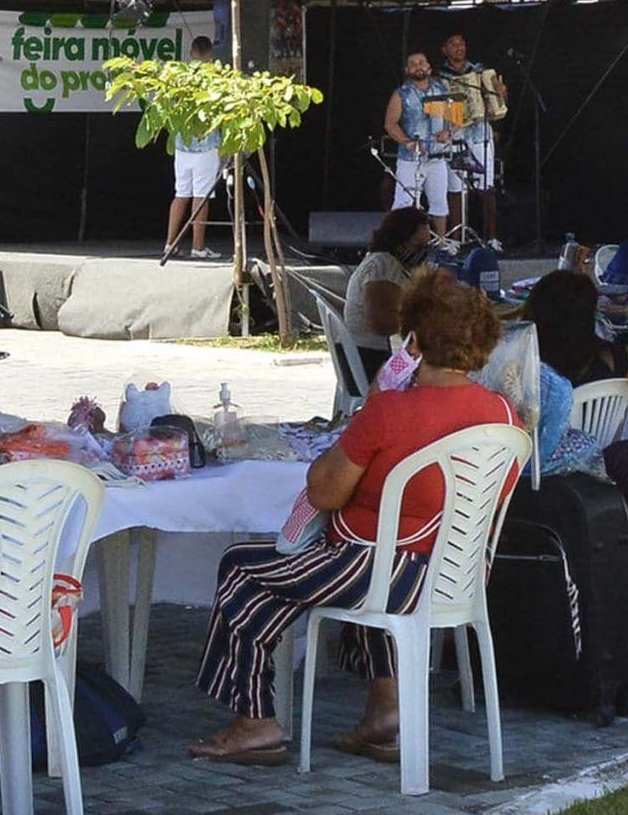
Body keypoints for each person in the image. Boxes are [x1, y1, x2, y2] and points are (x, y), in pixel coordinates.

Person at [190, 270, 520, 766]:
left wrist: (368, 413)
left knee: (243, 568)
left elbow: (323, 492)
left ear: (413, 341)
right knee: (359, 566)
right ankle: (385, 712)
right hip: (456, 576)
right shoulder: (504, 415)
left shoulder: (389, 411)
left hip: (381, 574)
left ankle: (255, 720)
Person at [341, 209, 435, 381]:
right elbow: (383, 324)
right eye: (418, 245)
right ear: (398, 242)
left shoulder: (390, 264)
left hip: (370, 356)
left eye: (427, 246)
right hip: (373, 360)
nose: (423, 252)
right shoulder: (382, 265)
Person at [436, 33, 508, 245]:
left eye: (461, 44)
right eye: (453, 44)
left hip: (479, 132)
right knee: (455, 187)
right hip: (454, 133)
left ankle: (491, 238)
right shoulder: (440, 77)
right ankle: (456, 238)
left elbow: (497, 104)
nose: (458, 47)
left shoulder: (479, 72)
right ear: (444, 49)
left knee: (487, 186)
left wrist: (501, 93)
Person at [161, 35, 225, 264]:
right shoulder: (214, 78)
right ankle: (198, 247)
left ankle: (170, 244)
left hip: (182, 146)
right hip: (206, 146)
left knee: (181, 193)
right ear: (211, 56)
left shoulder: (179, 77)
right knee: (201, 196)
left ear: (190, 53)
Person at [382, 50, 454, 239]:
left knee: (439, 202)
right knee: (403, 202)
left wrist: (448, 132)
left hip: (437, 156)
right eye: (413, 64)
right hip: (410, 159)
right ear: (407, 70)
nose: (418, 66)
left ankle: (441, 243)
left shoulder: (441, 90)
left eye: (421, 62)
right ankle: (398, 243)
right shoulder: (401, 94)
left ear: (429, 67)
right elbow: (390, 124)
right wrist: (408, 142)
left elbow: (455, 119)